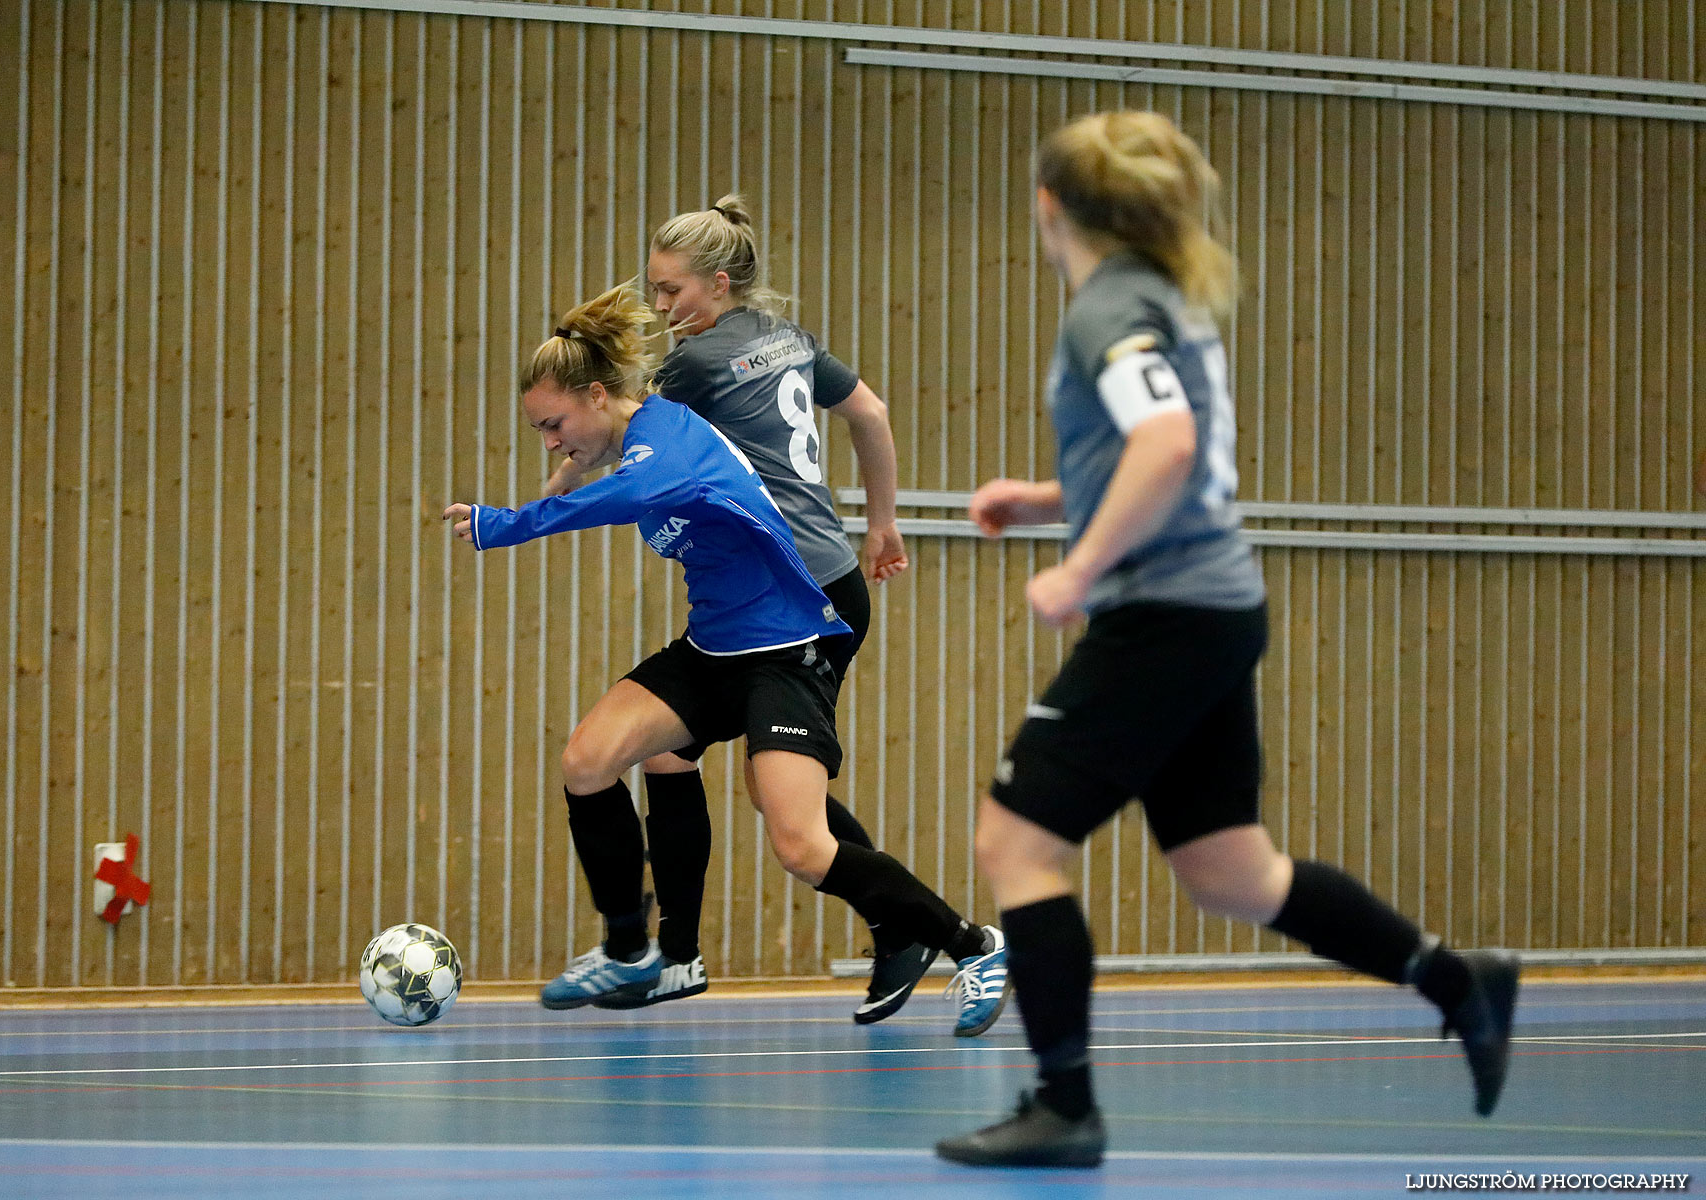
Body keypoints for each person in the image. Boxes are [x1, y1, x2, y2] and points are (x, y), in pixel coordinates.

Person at [933, 111, 1520, 1168]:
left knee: (1015, 843)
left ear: (1050, 205)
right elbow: (1167, 462)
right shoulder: (1165, 299)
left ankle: (1066, 1108)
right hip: (1215, 608)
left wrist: (1078, 564)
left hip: (1165, 615)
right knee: (1232, 873)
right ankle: (1455, 979)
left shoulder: (1107, 307)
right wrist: (1046, 499)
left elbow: (1168, 446)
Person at [445, 283, 1010, 1038]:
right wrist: (567, 471)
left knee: (802, 845)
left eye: (554, 425)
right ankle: (630, 948)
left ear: (597, 396)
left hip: (787, 647)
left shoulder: (666, 440)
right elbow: (611, 479)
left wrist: (506, 525)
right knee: (588, 761)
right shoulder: (630, 437)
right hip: (713, 648)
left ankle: (973, 946)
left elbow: (634, 491)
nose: (550, 442)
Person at [542, 196, 935, 1026]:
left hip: (797, 593)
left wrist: (564, 473)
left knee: (780, 803)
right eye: (651, 289)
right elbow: (870, 412)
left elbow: (620, 423)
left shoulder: (695, 364)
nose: (658, 308)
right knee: (667, 755)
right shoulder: (788, 340)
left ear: (719, 284)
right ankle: (675, 957)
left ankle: (912, 927)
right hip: (803, 578)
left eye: (671, 291)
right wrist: (884, 521)